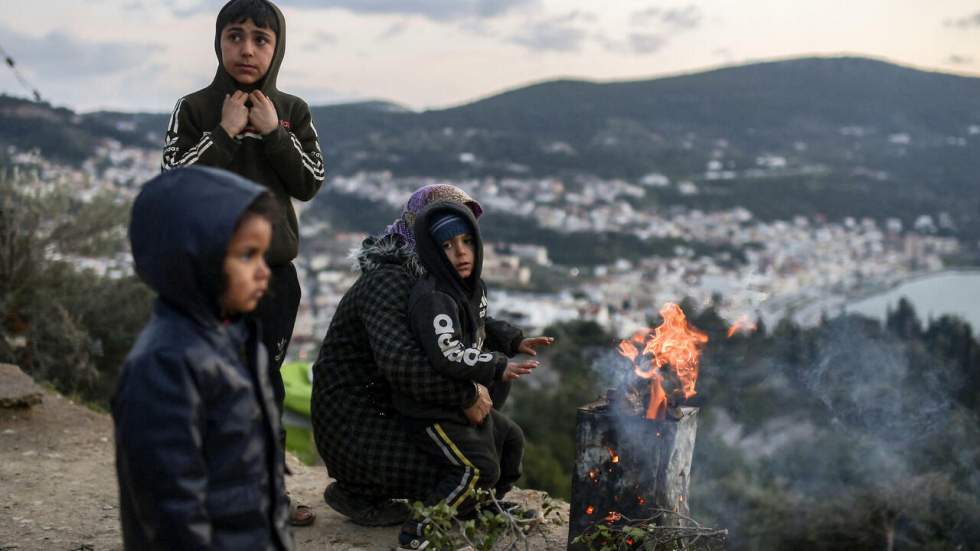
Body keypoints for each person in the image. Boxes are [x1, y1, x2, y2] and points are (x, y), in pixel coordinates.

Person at [161, 0, 323, 525]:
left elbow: (310, 182)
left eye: (261, 38)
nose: (247, 49)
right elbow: (174, 182)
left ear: (277, 47)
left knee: (263, 383)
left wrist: (275, 132)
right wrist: (225, 133)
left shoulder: (294, 109)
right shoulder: (195, 109)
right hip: (209, 275)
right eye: (235, 36)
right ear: (219, 42)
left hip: (274, 278)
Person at [112, 166, 291, 550]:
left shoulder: (236, 335)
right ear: (194, 257)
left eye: (263, 254)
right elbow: (172, 508)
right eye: (247, 255)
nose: (263, 272)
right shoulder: (164, 364)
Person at [311, 185, 497, 527]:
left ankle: (473, 503)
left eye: (466, 235)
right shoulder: (390, 283)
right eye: (445, 235)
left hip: (392, 409)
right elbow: (402, 364)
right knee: (468, 470)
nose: (460, 248)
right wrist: (467, 395)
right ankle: (358, 490)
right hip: (357, 426)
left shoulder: (431, 279)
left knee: (494, 447)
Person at [393, 201, 554, 550]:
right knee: (476, 468)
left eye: (466, 241)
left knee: (510, 440)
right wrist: (498, 365)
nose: (460, 252)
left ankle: (480, 508)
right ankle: (418, 532)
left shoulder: (470, 287)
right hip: (432, 410)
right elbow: (447, 353)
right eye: (447, 246)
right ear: (433, 253)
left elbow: (482, 325)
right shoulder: (434, 297)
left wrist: (515, 339)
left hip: (463, 396)